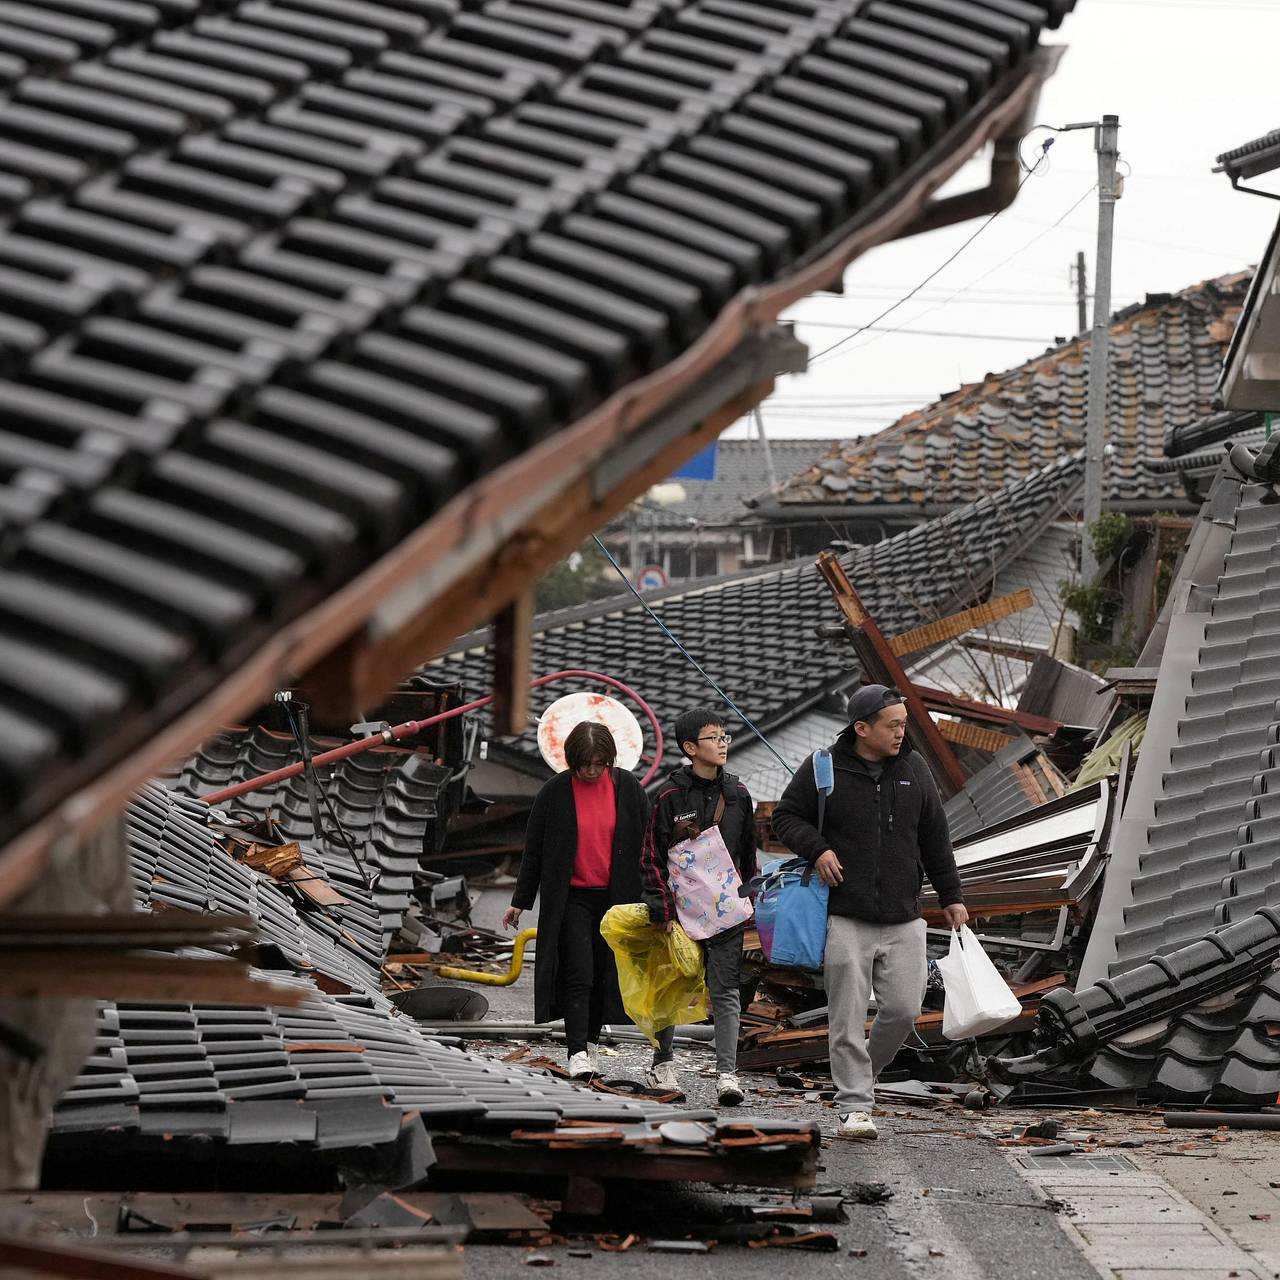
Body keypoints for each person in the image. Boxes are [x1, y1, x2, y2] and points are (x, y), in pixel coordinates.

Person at [772, 685, 967, 1141]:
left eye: (904, 723)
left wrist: (951, 895)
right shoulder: (824, 768)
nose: (902, 732)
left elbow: (935, 838)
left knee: (903, 1009)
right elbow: (786, 818)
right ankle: (855, 1104)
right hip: (846, 914)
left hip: (904, 916)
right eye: (893, 725)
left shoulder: (914, 769)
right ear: (862, 728)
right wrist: (817, 849)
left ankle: (863, 1076)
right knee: (847, 1014)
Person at [503, 721, 650, 1079]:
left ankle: (593, 1043)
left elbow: (649, 846)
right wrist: (520, 900)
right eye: (585, 764)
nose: (591, 770)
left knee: (604, 974)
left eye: (599, 763)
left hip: (617, 900)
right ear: (572, 761)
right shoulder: (554, 792)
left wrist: (655, 895)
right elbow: (534, 850)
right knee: (578, 973)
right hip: (572, 898)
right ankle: (577, 1051)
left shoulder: (627, 788)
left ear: (610, 761)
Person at [641, 708, 759, 1106]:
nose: (723, 744)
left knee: (726, 991)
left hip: (725, 912)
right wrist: (660, 908)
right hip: (677, 914)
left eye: (725, 736)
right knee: (672, 987)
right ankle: (663, 1063)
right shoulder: (670, 796)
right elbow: (650, 855)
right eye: (713, 738)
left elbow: (747, 855)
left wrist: (749, 898)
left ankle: (727, 1073)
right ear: (691, 748)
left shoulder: (739, 795)